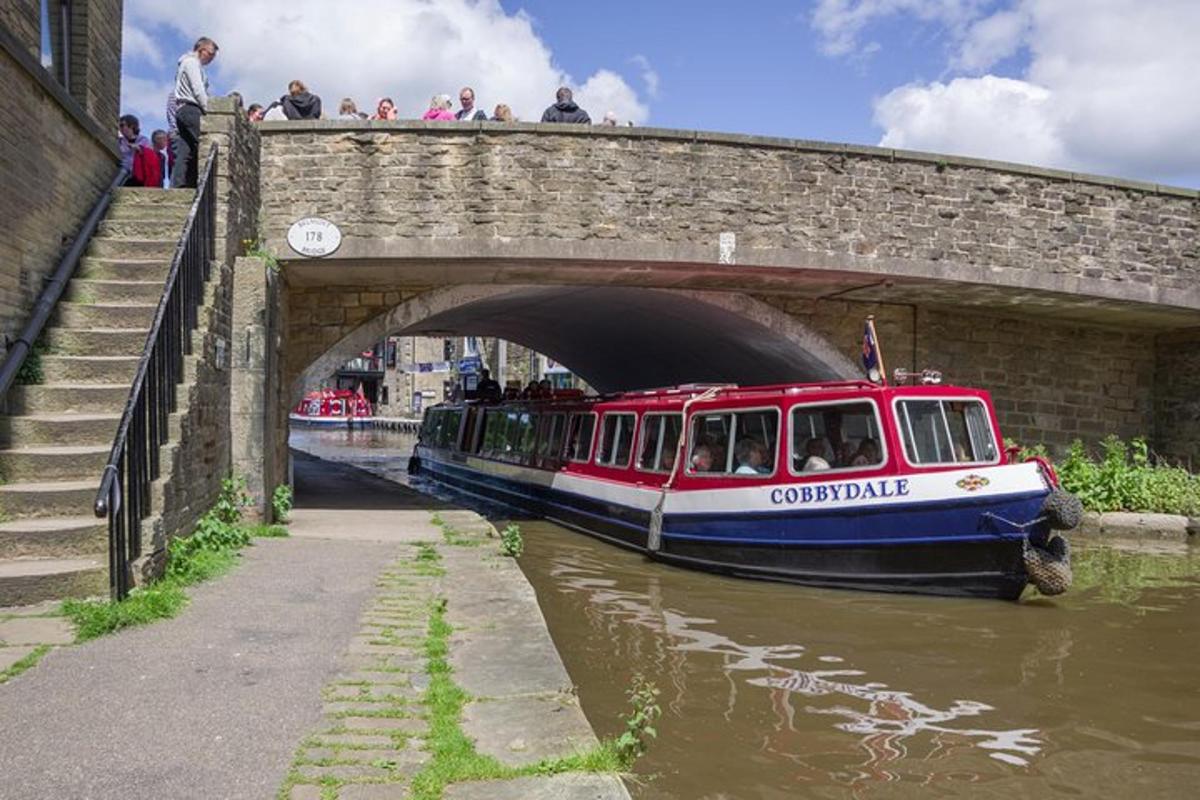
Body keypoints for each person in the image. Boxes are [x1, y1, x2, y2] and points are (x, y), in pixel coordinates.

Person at [171, 36, 218, 188]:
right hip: (191, 109)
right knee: (205, 143)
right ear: (201, 49)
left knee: (186, 151)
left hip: (183, 111)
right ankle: (199, 185)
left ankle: (178, 186)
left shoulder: (189, 64)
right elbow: (198, 90)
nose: (212, 58)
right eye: (210, 54)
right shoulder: (191, 63)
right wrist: (209, 110)